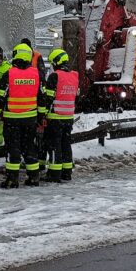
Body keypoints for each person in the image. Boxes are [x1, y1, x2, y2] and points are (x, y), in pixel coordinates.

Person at [0, 42, 41, 188]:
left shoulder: (10, 73)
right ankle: (33, 177)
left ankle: (12, 179)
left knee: (13, 148)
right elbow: (42, 96)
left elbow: (0, 97)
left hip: (12, 119)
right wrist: (42, 116)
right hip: (30, 118)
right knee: (29, 147)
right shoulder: (35, 74)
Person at [40, 48, 79, 182]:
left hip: (55, 118)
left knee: (54, 145)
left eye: (53, 63)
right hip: (68, 117)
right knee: (65, 144)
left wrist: (42, 114)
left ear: (56, 62)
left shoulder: (54, 76)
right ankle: (66, 172)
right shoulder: (74, 76)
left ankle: (54, 173)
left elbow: (48, 99)